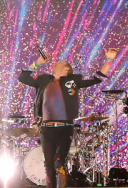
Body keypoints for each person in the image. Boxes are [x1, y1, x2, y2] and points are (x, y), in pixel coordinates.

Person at [18, 48, 117, 188]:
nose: (56, 62)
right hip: (46, 128)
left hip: (64, 128)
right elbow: (22, 78)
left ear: (65, 69)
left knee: (59, 162)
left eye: (61, 62)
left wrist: (109, 60)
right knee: (48, 165)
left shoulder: (72, 81)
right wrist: (37, 63)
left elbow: (97, 79)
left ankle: (63, 181)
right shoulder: (43, 80)